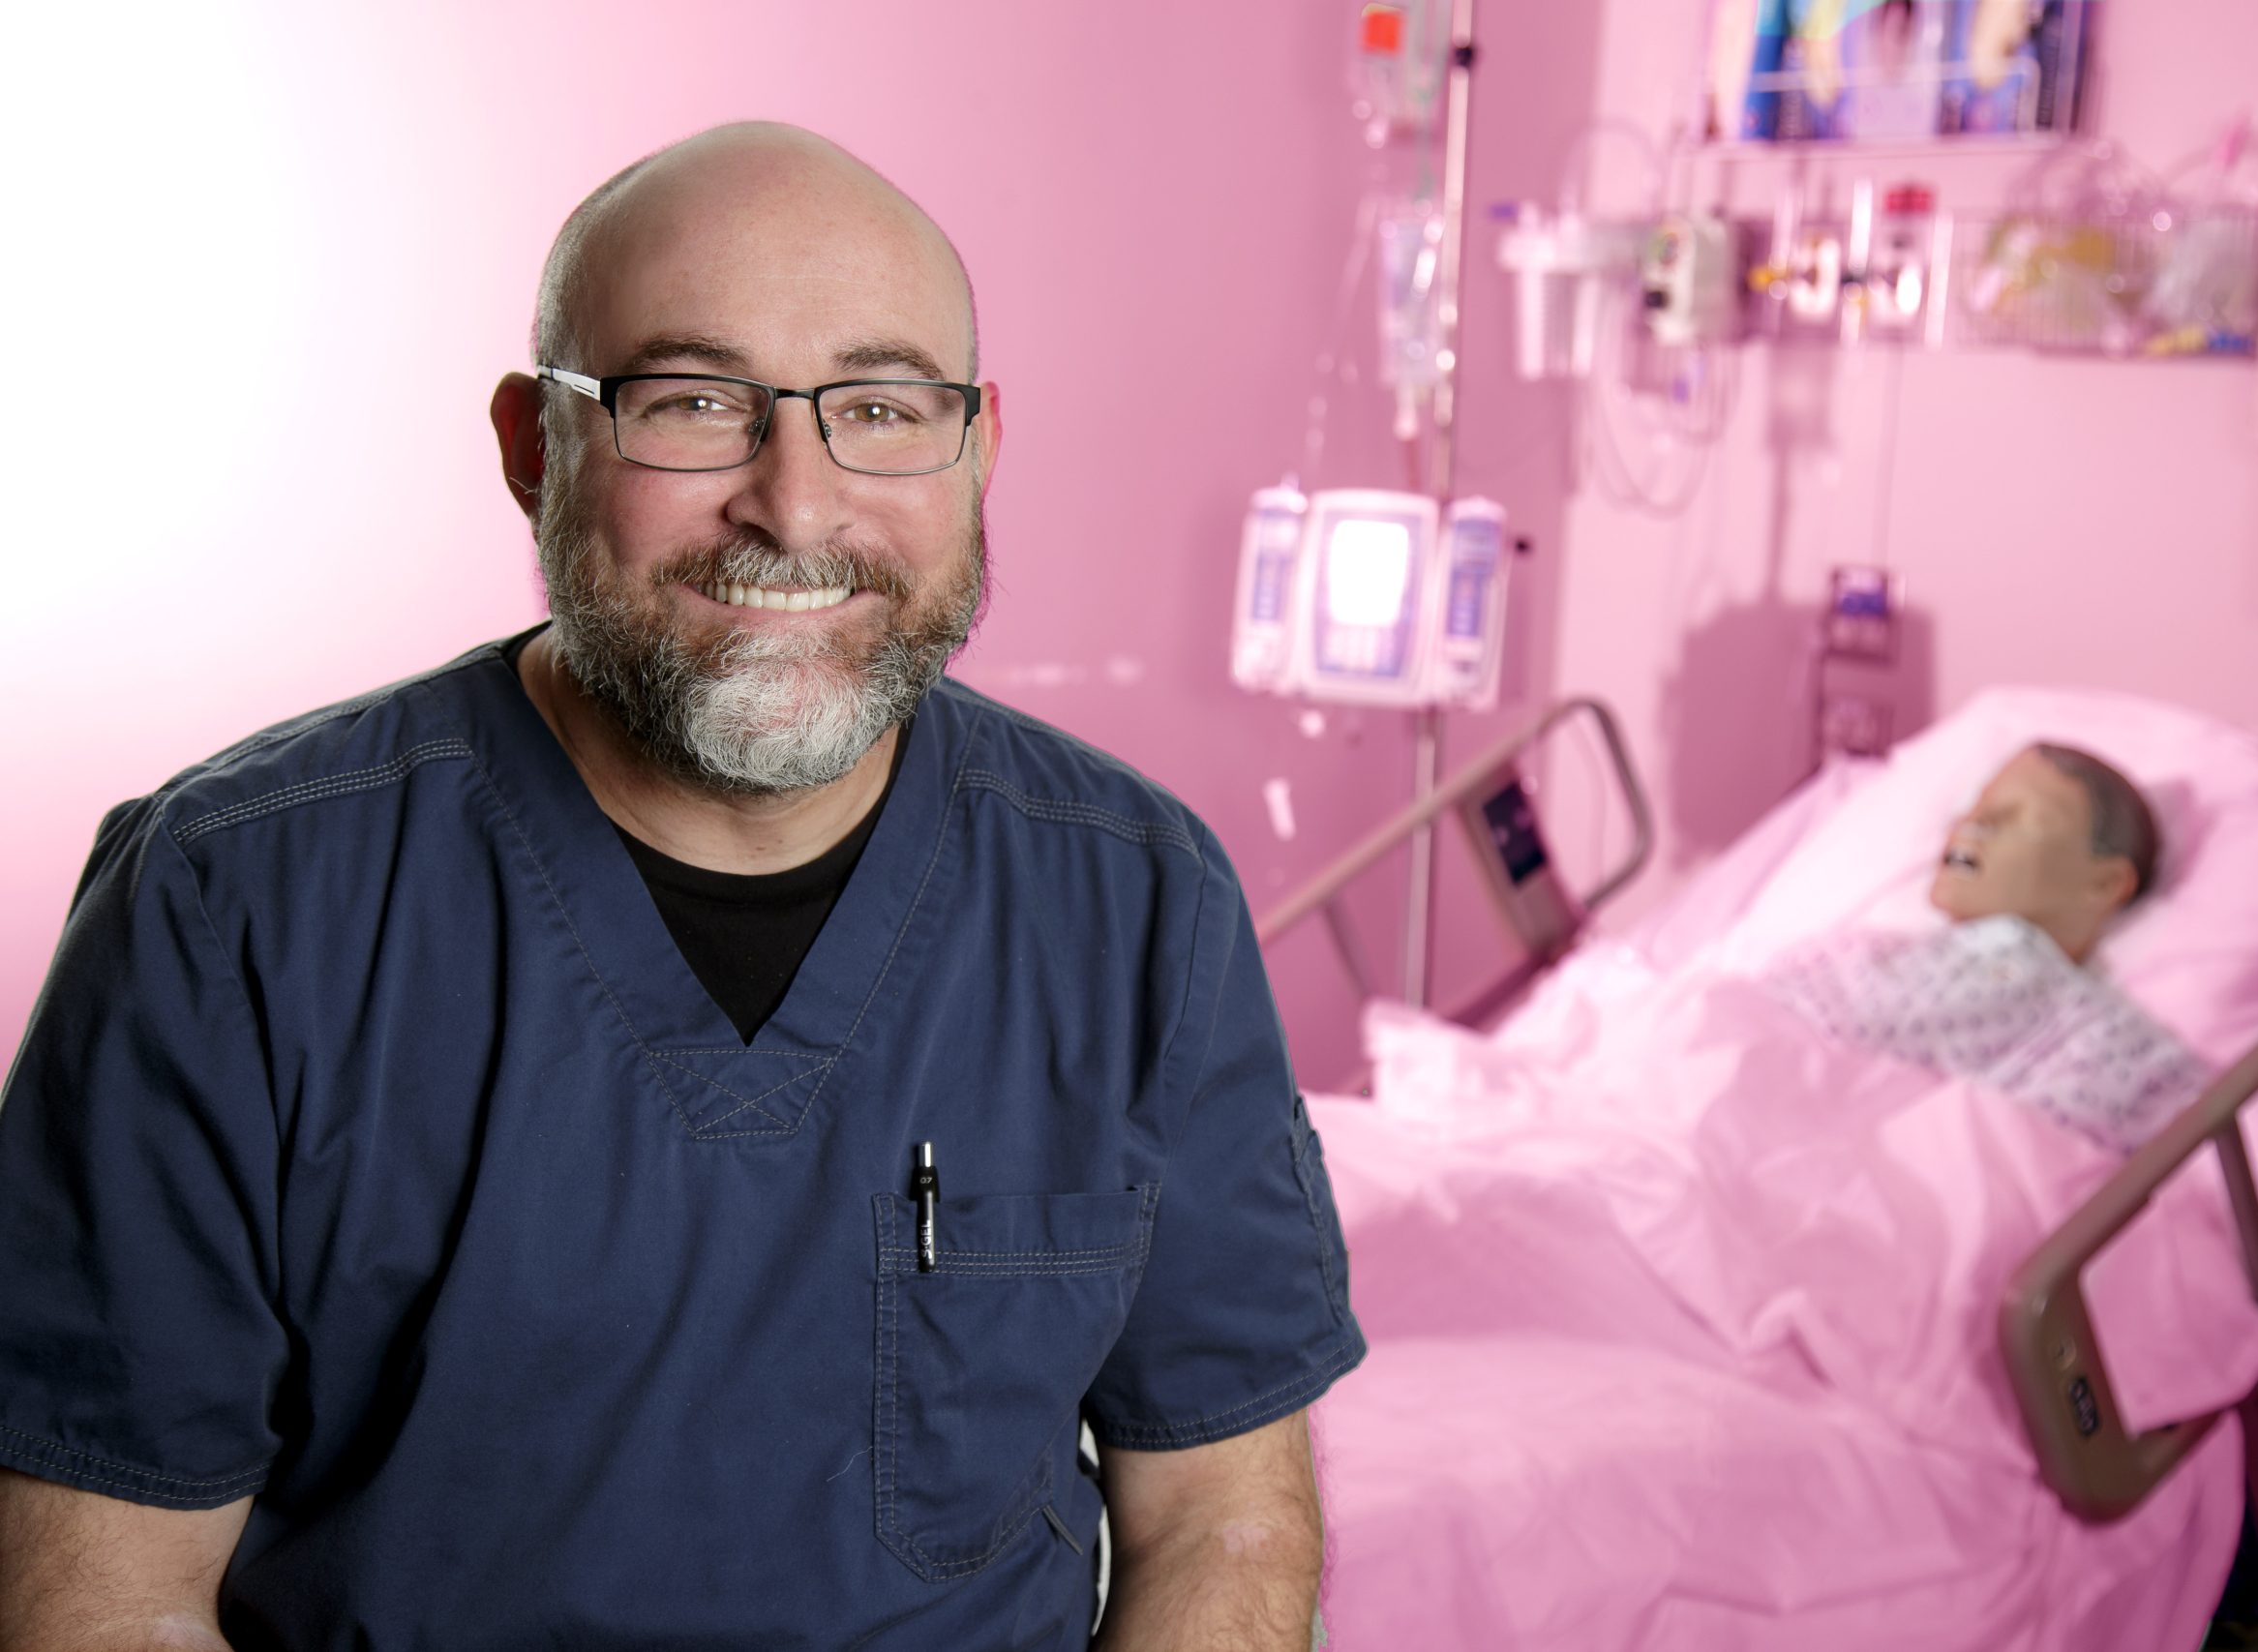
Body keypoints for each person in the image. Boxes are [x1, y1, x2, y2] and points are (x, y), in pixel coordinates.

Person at [0, 122, 1364, 1651]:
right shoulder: (230, 908)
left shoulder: (1135, 905)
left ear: (978, 444)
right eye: (694, 403)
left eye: (882, 407)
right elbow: (107, 1596)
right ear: (534, 448)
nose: (795, 505)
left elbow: (1223, 1527)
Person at [1765, 742, 2200, 1149]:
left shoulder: (2105, 1041)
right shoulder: (1865, 952)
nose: (1972, 822)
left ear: (2103, 883)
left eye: (2016, 817)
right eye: (1975, 807)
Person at [1928, 741, 2161, 963]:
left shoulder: (2068, 1003)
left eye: (2026, 817)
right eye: (1978, 803)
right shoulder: (1901, 953)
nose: (1976, 820)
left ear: (2104, 883)